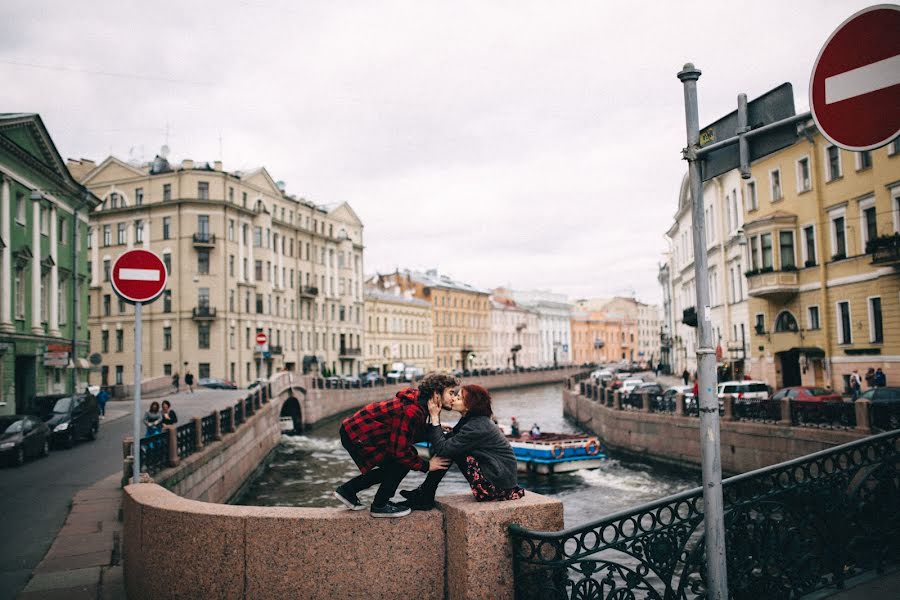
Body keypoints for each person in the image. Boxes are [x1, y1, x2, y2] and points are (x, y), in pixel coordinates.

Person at [333, 371, 457, 518]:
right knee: (402, 461)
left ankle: (348, 490)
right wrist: (427, 466)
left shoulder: (420, 405)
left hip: (358, 431)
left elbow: (409, 431)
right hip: (357, 434)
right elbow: (400, 451)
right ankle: (380, 505)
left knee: (394, 465)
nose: (454, 398)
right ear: (437, 393)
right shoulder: (412, 410)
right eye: (451, 393)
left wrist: (434, 428)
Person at [400, 384, 524, 510]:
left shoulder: (477, 426)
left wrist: (434, 418)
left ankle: (425, 493)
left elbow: (443, 449)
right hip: (498, 479)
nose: (453, 399)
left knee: (453, 450)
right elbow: (446, 442)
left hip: (496, 487)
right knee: (452, 445)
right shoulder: (472, 420)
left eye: (458, 398)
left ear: (470, 405)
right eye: (454, 395)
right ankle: (425, 492)